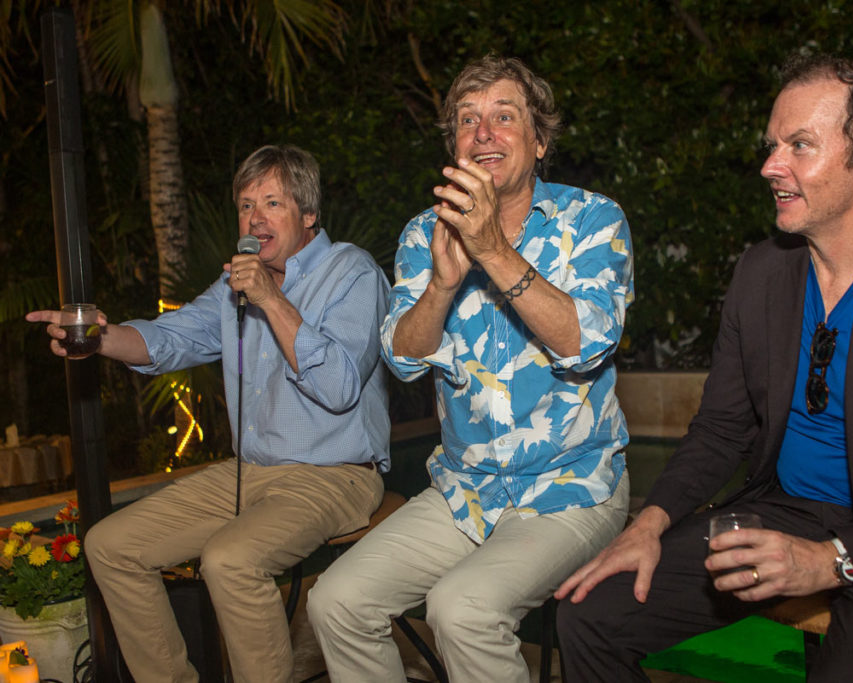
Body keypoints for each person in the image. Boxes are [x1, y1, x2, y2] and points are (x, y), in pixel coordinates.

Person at [556, 53, 853, 682]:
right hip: (782, 511)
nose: (770, 166)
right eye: (773, 144)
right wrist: (650, 522)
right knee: (589, 612)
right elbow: (722, 429)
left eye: (800, 145)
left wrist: (831, 560)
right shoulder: (762, 273)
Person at [307, 55, 633, 682]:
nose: (483, 133)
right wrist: (441, 288)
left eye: (504, 117)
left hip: (572, 487)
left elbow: (585, 343)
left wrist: (491, 249)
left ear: (539, 142)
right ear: (454, 145)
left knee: (462, 610)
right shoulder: (421, 234)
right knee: (336, 602)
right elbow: (402, 360)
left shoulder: (592, 220)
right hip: (465, 490)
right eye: (467, 120)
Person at [27, 144, 391, 683]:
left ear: (309, 214)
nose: (255, 218)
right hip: (251, 472)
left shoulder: (352, 273)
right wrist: (102, 338)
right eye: (246, 205)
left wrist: (270, 298)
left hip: (335, 474)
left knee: (229, 559)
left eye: (272, 202)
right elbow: (171, 338)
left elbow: (337, 387)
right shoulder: (235, 286)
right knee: (110, 546)